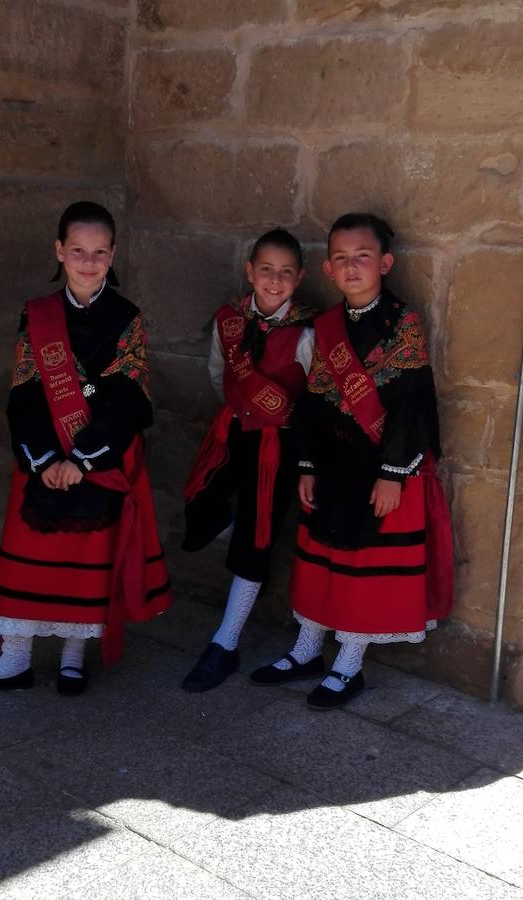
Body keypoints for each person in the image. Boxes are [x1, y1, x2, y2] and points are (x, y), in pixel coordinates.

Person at [0, 201, 171, 695]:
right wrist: (46, 458)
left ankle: (74, 656)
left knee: (86, 563)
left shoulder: (127, 317)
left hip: (100, 458)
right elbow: (24, 392)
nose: (89, 261)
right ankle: (14, 659)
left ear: (113, 254)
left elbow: (131, 398)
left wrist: (84, 458)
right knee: (30, 553)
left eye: (99, 252)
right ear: (59, 251)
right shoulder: (38, 315)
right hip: (44, 459)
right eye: (78, 250)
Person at [250, 213, 453, 709]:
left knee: (361, 568)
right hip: (335, 461)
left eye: (362, 256)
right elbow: (316, 402)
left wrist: (391, 473)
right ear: (327, 269)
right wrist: (307, 465)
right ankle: (305, 650)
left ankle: (349, 663)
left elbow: (411, 401)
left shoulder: (402, 322)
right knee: (322, 562)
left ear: (384, 263)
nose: (351, 266)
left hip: (383, 466)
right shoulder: (327, 326)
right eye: (340, 258)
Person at [180, 229, 314, 692]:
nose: (274, 280)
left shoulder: (307, 332)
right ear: (249, 272)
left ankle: (226, 642)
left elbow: (317, 398)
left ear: (299, 278)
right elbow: (219, 374)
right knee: (198, 507)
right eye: (266, 270)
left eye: (285, 272)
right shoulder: (228, 320)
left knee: (255, 544)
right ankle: (246, 537)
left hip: (279, 447)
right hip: (233, 431)